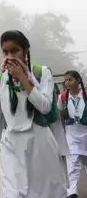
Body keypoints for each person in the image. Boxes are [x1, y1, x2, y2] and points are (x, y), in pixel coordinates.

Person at [0, 30, 67, 198]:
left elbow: (45, 107)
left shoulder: (42, 73)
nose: (10, 56)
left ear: (26, 50)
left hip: (39, 142)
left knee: (42, 192)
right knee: (11, 193)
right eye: (5, 52)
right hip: (10, 144)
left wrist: (25, 79)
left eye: (15, 50)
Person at [58, 70, 87, 198]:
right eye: (66, 80)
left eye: (70, 80)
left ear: (78, 80)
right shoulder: (63, 97)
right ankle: (72, 192)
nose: (67, 82)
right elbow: (59, 116)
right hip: (71, 135)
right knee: (73, 164)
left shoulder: (85, 96)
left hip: (86, 134)